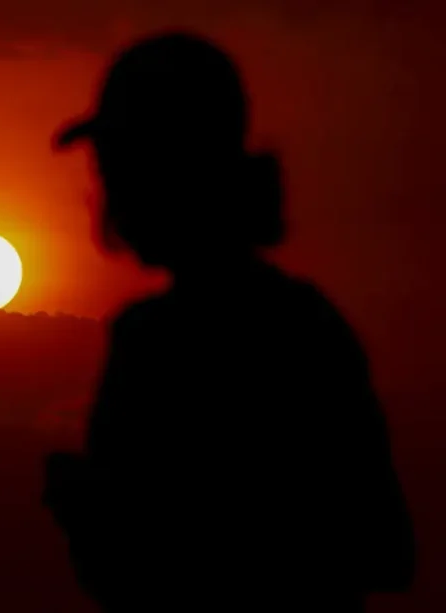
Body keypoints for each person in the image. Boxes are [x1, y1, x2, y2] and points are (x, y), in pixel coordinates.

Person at [44, 32, 414, 612]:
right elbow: (384, 547)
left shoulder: (153, 343)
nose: (103, 187)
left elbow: (384, 549)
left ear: (163, 169)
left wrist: (105, 515)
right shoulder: (308, 326)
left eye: (115, 163)